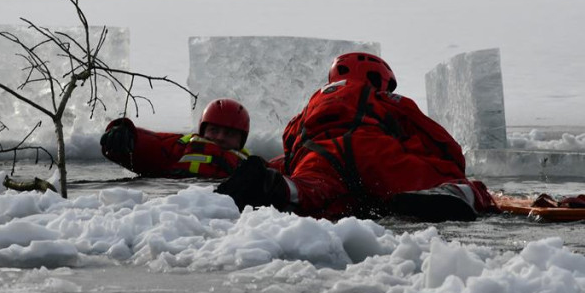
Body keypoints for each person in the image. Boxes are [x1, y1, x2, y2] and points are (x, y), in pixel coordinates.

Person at [215, 52, 496, 222]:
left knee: (316, 189)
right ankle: (455, 191)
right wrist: (450, 169)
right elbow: (438, 140)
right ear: (380, 80)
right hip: (372, 148)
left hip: (317, 151)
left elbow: (291, 144)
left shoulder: (311, 106)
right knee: (445, 179)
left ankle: (283, 188)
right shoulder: (385, 99)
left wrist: (273, 169)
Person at [100, 98, 252, 178]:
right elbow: (153, 143)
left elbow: (275, 170)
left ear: (241, 140)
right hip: (176, 203)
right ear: (203, 131)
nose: (219, 138)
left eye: (229, 133)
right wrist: (126, 134)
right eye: (214, 130)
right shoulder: (182, 146)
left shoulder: (251, 165)